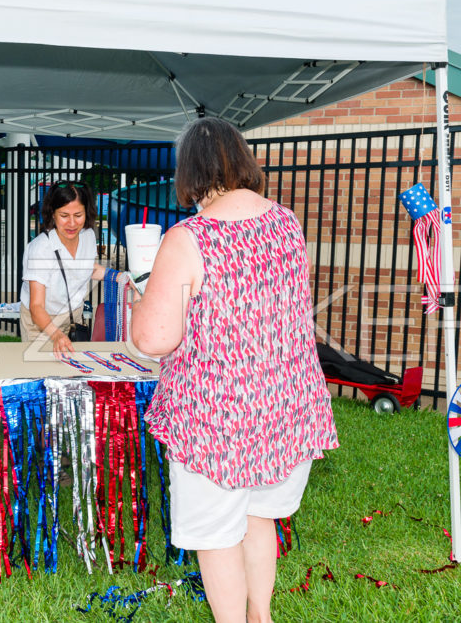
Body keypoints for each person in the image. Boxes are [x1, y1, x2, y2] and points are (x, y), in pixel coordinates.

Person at [131, 118, 339, 623]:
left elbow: (154, 338)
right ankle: (260, 616)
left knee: (217, 534)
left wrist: (141, 290)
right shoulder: (287, 221)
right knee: (259, 515)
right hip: (286, 401)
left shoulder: (189, 238)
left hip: (218, 413)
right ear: (241, 159)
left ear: (189, 173)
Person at [20, 181, 129, 357]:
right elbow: (36, 306)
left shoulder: (87, 236)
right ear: (52, 215)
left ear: (87, 213)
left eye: (78, 215)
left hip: (72, 318)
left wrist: (118, 276)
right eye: (64, 215)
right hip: (40, 323)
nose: (72, 223)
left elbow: (86, 268)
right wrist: (56, 335)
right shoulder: (40, 249)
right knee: (41, 377)